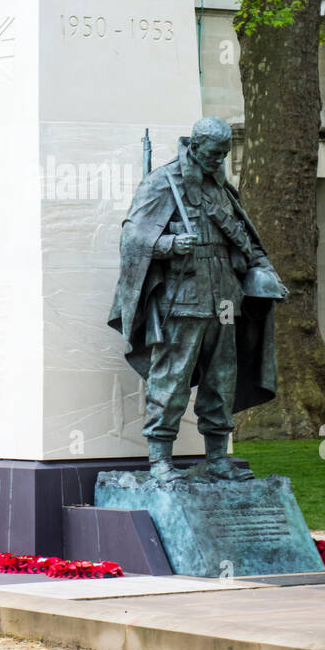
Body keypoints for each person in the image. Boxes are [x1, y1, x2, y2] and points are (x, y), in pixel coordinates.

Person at [109, 116, 287, 482]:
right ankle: (160, 460)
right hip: (183, 299)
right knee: (170, 380)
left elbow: (247, 241)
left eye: (224, 153)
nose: (219, 159)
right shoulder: (163, 182)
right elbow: (132, 240)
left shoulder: (222, 189)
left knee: (221, 381)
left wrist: (267, 274)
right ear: (195, 146)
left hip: (225, 300)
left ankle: (218, 459)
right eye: (213, 152)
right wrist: (170, 244)